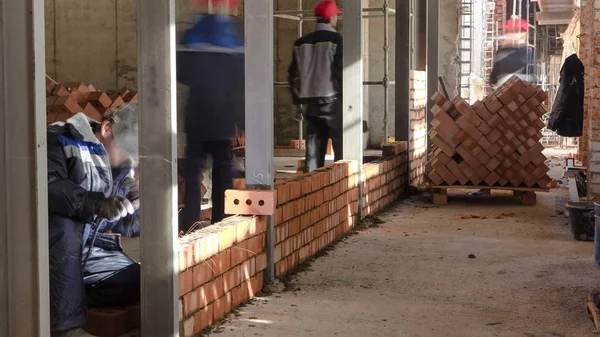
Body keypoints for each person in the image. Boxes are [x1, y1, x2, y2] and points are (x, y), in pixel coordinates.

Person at [48, 104, 141, 337]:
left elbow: (121, 223)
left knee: (138, 281)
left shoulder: (120, 167)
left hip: (87, 249)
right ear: (107, 129)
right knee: (64, 226)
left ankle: (64, 298)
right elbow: (48, 188)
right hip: (49, 246)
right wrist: (96, 203)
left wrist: (140, 209)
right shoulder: (60, 138)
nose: (127, 159)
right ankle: (65, 328)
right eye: (125, 150)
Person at [177, 8, 245, 232]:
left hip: (197, 114)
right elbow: (241, 81)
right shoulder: (234, 36)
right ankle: (220, 222)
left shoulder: (194, 32)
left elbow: (181, 73)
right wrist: (241, 120)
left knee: (193, 172)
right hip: (223, 116)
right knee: (223, 170)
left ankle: (190, 223)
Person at [288, 0, 343, 172]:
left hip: (310, 103)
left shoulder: (300, 43)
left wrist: (297, 100)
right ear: (332, 18)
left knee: (312, 156)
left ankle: (311, 192)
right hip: (332, 100)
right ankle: (341, 187)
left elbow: (293, 75)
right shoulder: (336, 40)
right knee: (341, 153)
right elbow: (340, 71)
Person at [490, 17, 535, 89]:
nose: (510, 35)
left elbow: (531, 78)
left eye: (515, 32)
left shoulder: (526, 53)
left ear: (524, 34)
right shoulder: (501, 53)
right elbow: (493, 79)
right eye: (509, 31)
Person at [547, 53, 584, 138]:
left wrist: (552, 123)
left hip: (569, 122)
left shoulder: (567, 81)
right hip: (578, 120)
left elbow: (560, 102)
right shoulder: (580, 77)